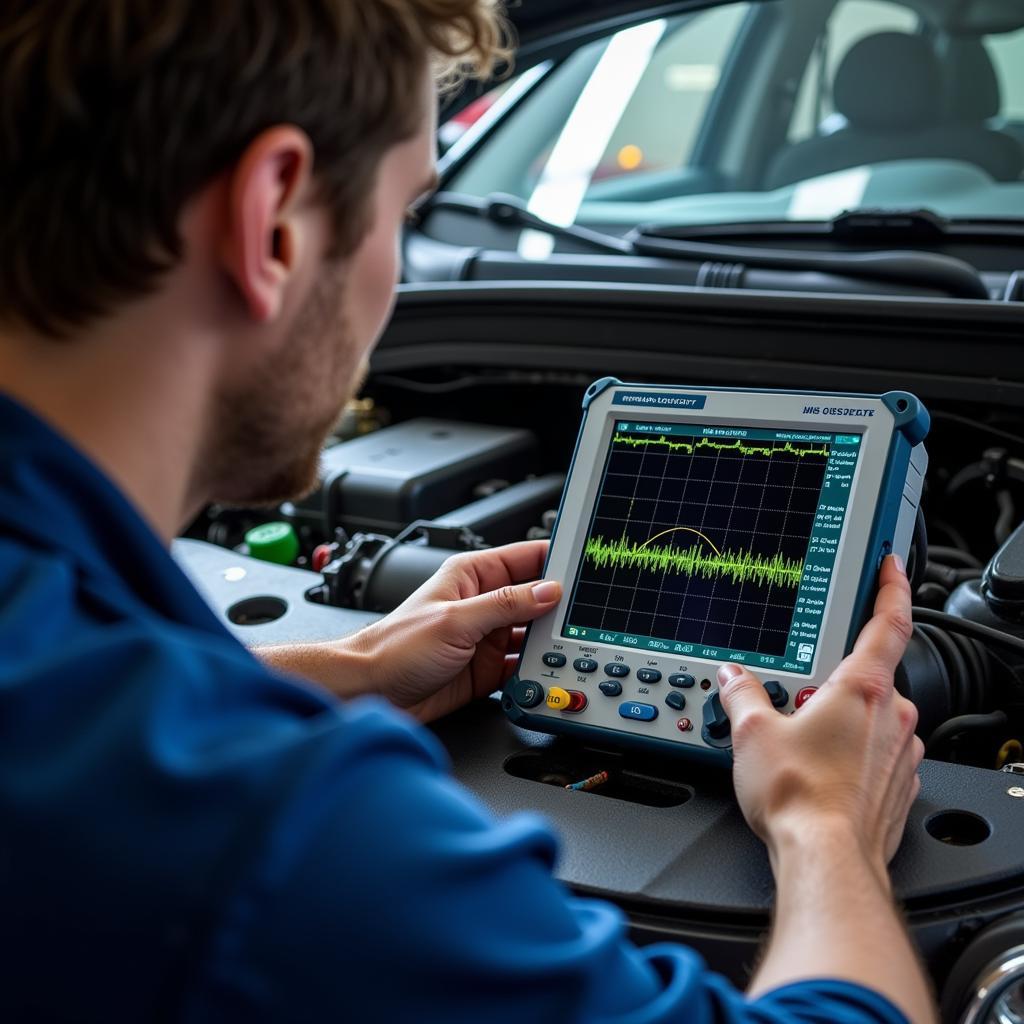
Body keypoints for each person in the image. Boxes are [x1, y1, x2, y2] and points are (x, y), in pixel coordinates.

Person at [0, 2, 932, 1021]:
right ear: (270, 219)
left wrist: (351, 670)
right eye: (405, 213)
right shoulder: (278, 829)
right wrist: (826, 822)